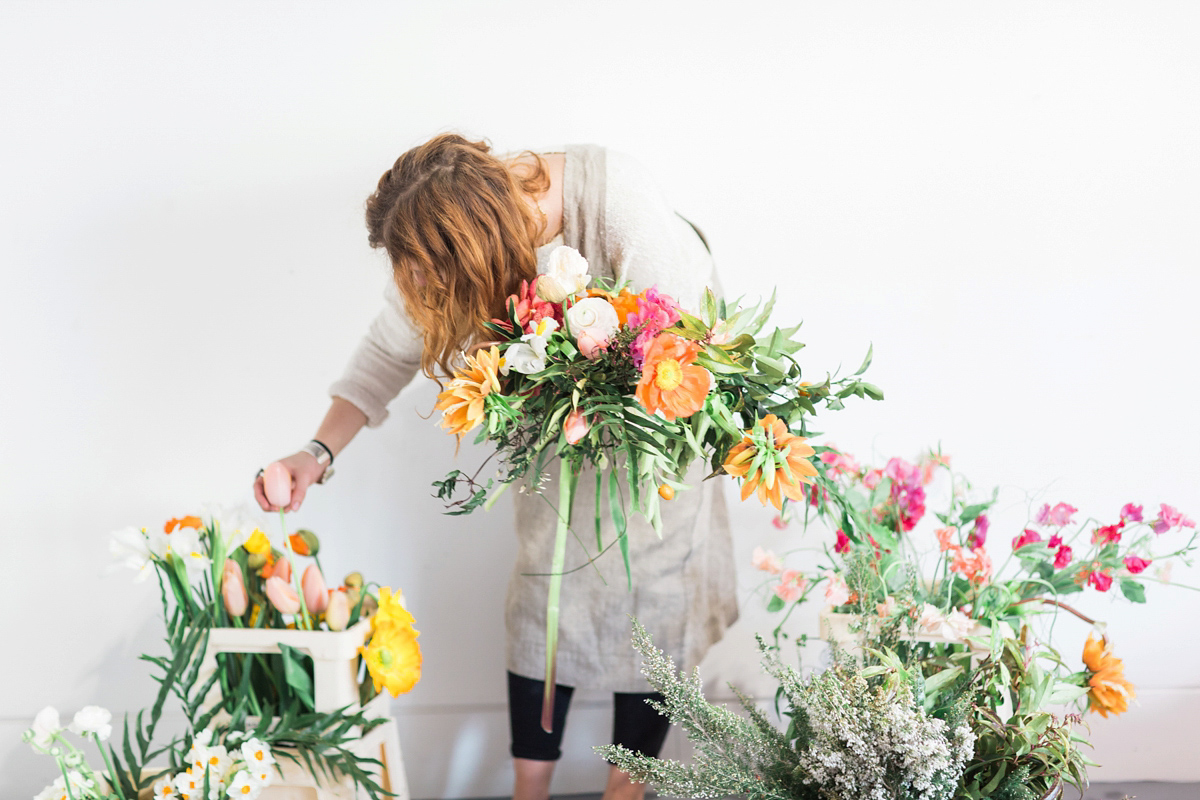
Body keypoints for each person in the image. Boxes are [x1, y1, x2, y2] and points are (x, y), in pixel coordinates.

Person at [253, 134, 738, 800]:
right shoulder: (433, 250)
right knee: (544, 595)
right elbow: (387, 351)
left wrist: (592, 384)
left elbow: (688, 342)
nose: (421, 289)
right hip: (558, 431)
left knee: (653, 600)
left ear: (475, 250)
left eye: (429, 274)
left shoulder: (616, 203)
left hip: (661, 423)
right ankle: (527, 793)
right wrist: (315, 454)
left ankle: (626, 792)